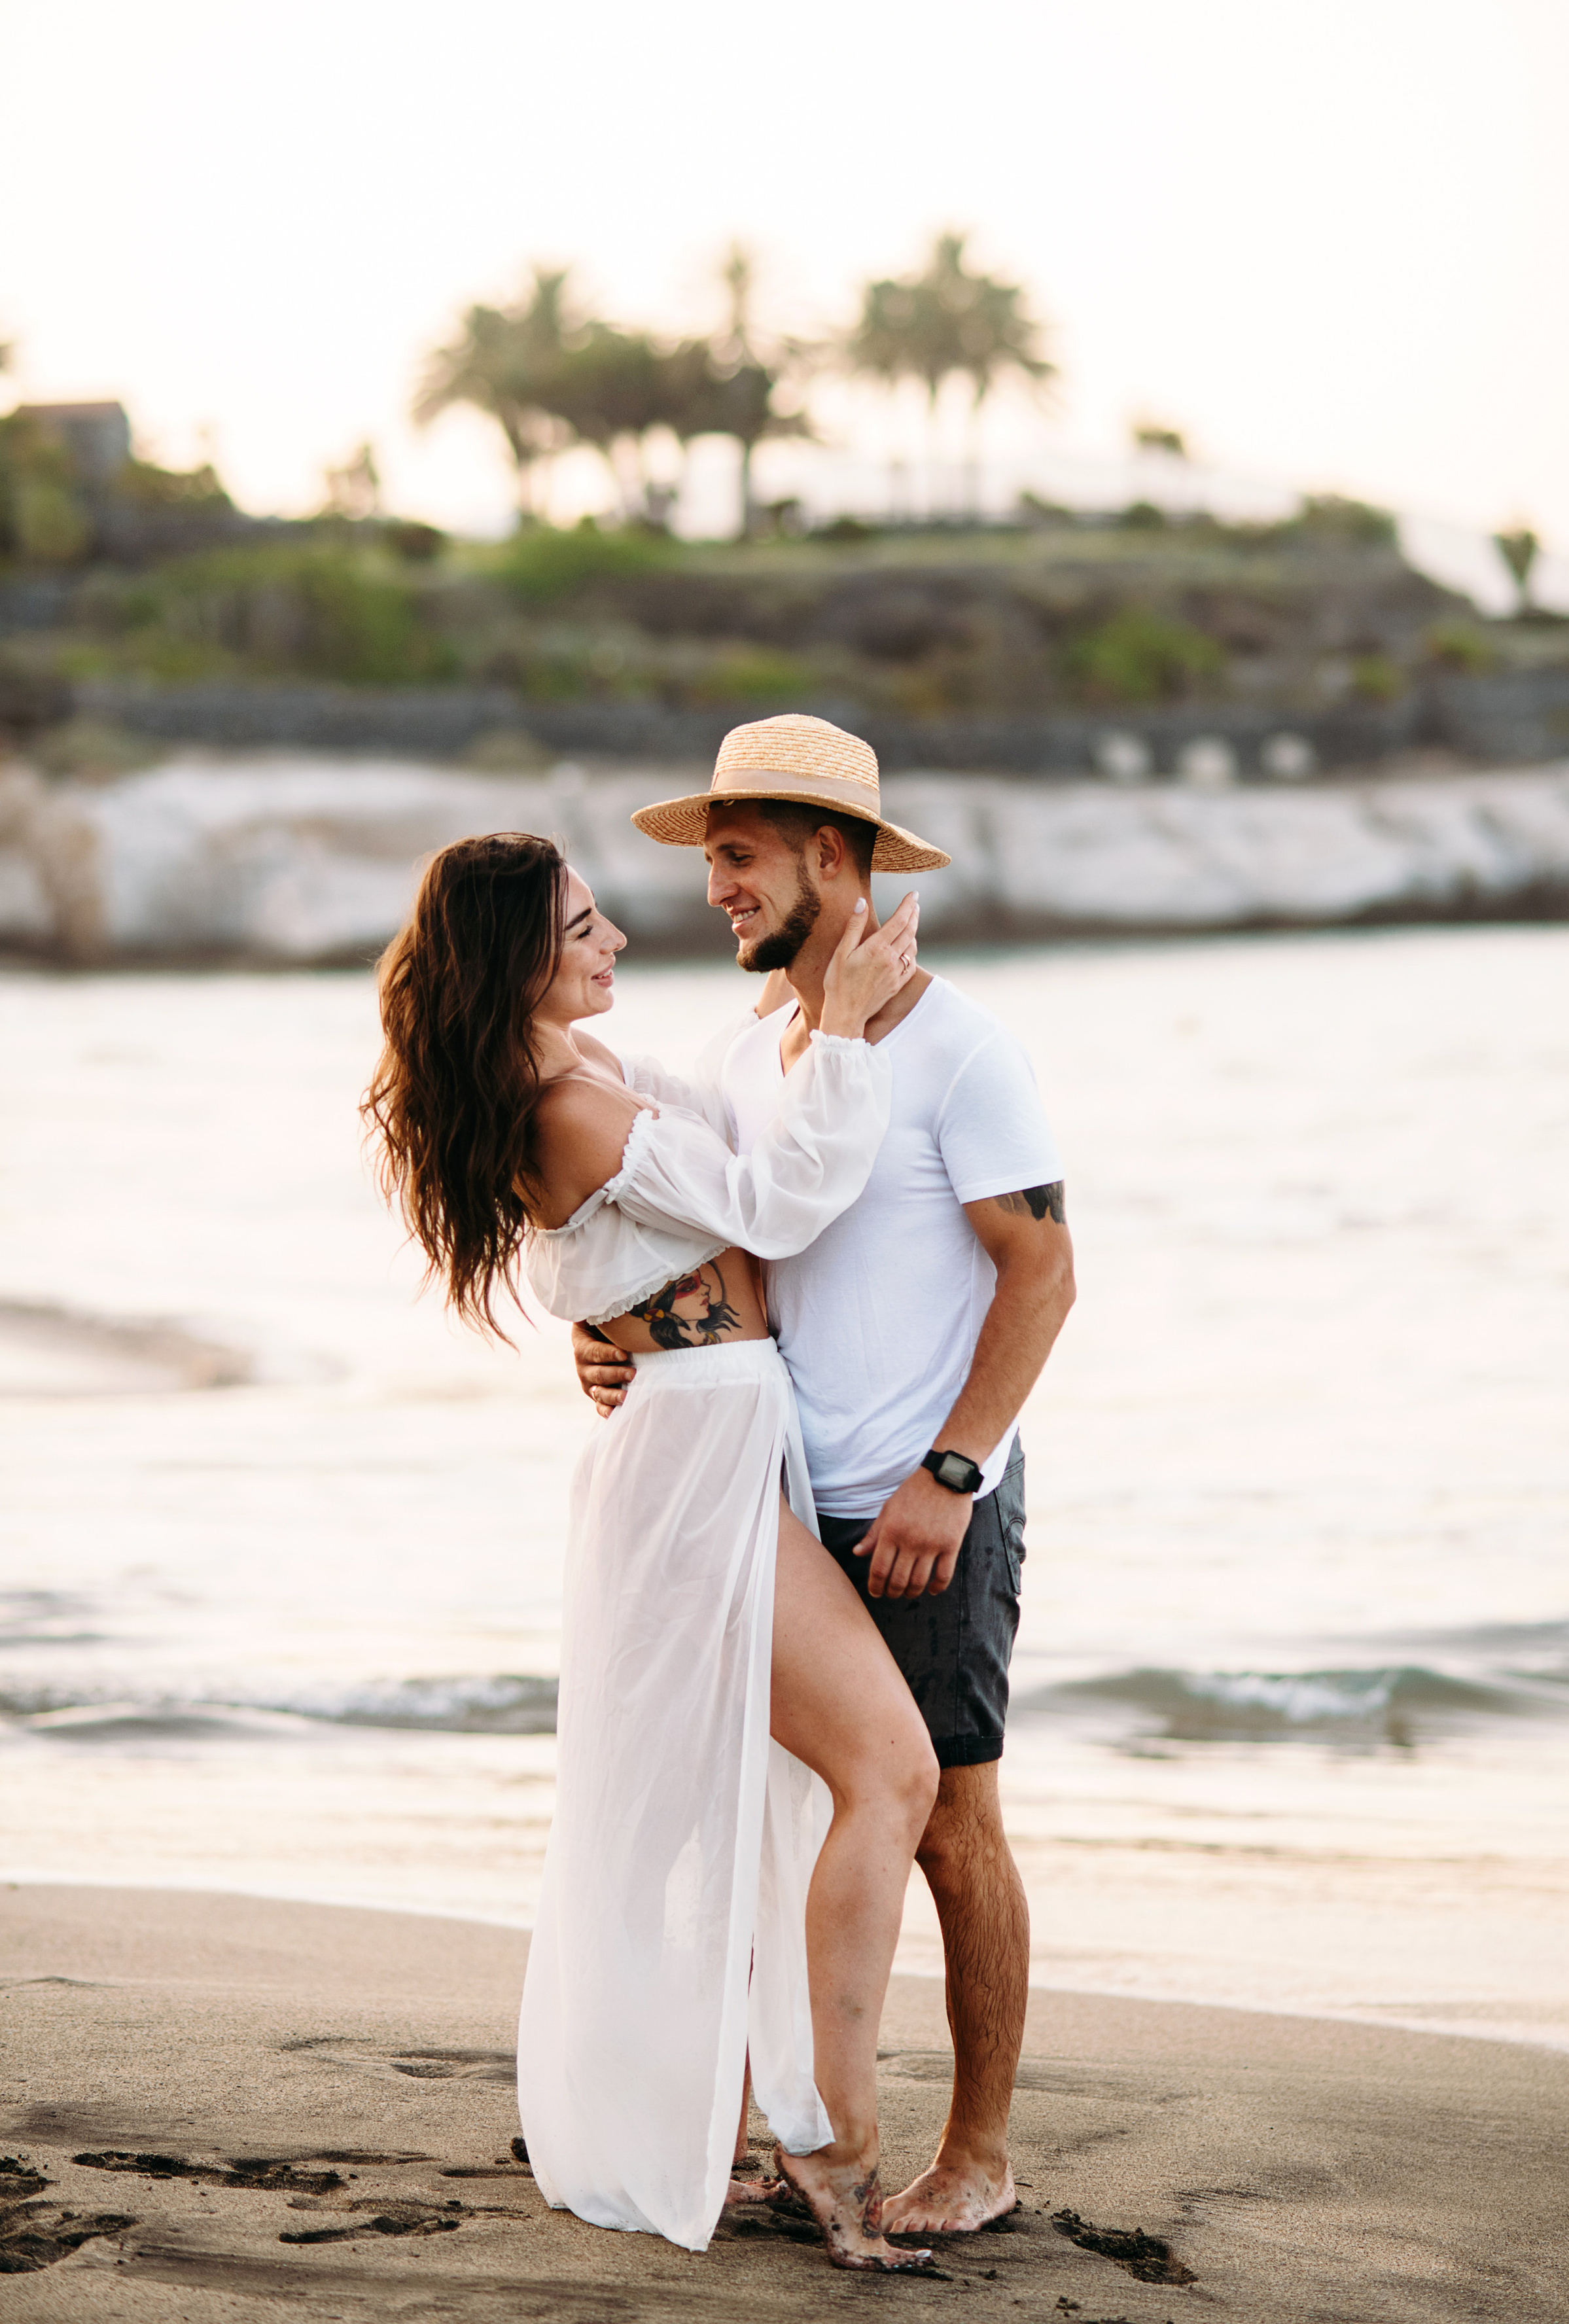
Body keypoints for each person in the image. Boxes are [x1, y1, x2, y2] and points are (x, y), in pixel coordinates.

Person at [362, 830, 940, 2270]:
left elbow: (726, 1151)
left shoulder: (588, 1077)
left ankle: (743, 2106)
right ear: (519, 959)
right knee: (887, 1770)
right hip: (694, 1457)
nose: (616, 939)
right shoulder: (559, 1101)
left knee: (743, 1801)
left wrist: (815, 1008)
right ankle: (828, 2136)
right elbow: (779, 1199)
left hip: (705, 1437)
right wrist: (854, 1030)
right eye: (582, 926)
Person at [576, 714, 1076, 2236]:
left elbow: (1042, 1274)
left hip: (920, 1508)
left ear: (834, 860)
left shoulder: (962, 1050)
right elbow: (717, 1246)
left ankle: (975, 2152)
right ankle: (780, 2113)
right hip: (773, 1505)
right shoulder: (750, 1054)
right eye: (713, 860)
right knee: (770, 1818)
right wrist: (618, 1350)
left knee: (948, 1826)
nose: (715, 888)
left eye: (738, 858)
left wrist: (952, 1468)